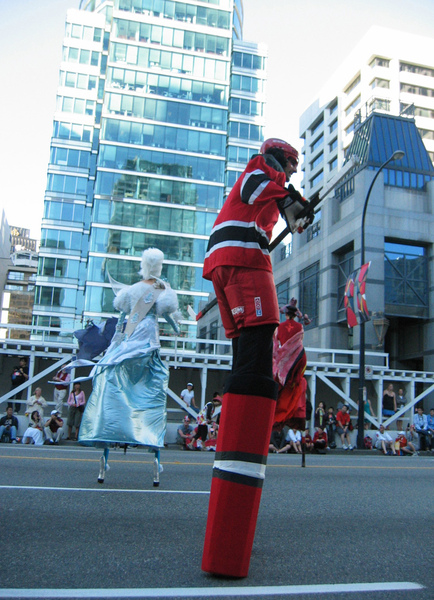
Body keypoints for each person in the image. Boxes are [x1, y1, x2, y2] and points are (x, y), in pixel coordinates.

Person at [201, 137, 314, 577]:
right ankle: (254, 410)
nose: (289, 175)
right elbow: (257, 190)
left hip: (230, 259)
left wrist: (297, 213)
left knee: (247, 348)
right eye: (289, 166)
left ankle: (249, 415)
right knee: (259, 344)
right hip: (244, 261)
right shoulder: (259, 171)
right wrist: (290, 196)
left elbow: (285, 213)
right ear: (278, 160)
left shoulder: (269, 187)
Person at [78, 248, 181, 486]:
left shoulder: (132, 290)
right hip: (148, 341)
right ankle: (153, 456)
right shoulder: (162, 289)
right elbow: (168, 315)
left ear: (143, 266)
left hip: (128, 342)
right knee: (151, 391)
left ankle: (104, 460)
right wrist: (176, 328)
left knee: (112, 385)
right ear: (160, 267)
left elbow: (122, 320)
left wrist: (116, 343)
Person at [273, 298, 309, 431]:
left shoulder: (279, 327)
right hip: (299, 359)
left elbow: (276, 346)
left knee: (281, 385)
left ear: (285, 314)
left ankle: (279, 414)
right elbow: (299, 342)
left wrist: (277, 358)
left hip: (285, 361)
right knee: (297, 384)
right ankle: (295, 414)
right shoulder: (300, 327)